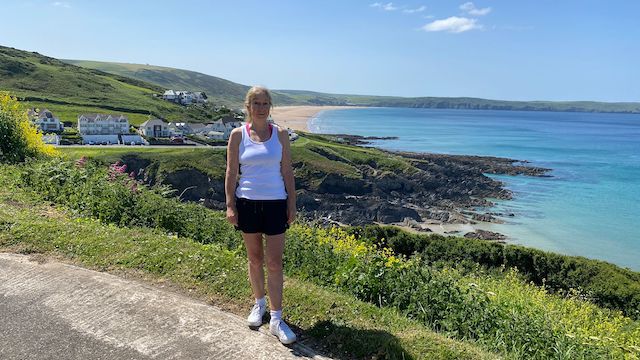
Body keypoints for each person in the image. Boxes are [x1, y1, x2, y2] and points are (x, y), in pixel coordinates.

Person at [225, 86, 297, 345]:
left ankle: (277, 319)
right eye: (256, 103)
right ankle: (259, 305)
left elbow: (287, 171)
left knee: (275, 263)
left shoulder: (280, 134)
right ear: (248, 106)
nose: (261, 107)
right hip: (247, 203)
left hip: (276, 203)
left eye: (265, 103)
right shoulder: (237, 135)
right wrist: (230, 204)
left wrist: (292, 204)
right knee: (254, 260)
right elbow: (231, 173)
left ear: (270, 106)